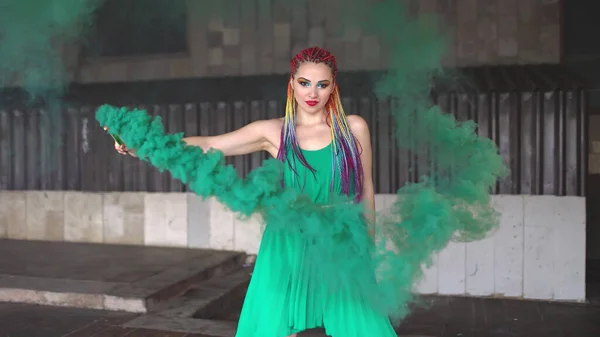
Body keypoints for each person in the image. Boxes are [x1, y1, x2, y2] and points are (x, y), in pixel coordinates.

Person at [115, 46, 396, 337]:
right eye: (304, 83)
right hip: (288, 237)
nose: (312, 93)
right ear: (292, 84)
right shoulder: (274, 131)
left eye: (321, 84)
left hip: (339, 237)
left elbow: (366, 187)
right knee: (272, 325)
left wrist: (368, 244)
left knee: (363, 325)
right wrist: (144, 146)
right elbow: (210, 144)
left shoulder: (353, 127)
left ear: (332, 87)